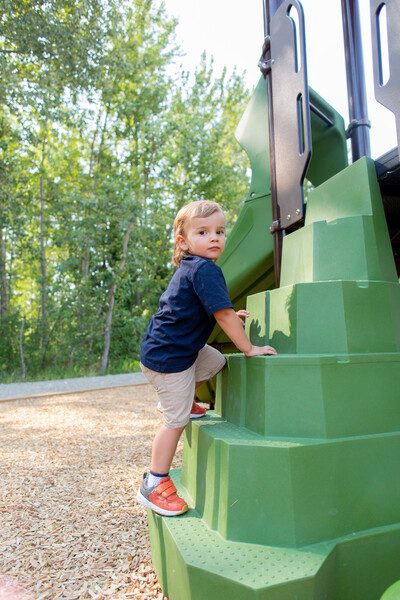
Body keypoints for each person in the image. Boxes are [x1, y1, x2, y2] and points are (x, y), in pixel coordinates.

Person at [137, 200, 277, 516]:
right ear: (183, 242)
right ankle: (154, 483)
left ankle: (182, 399)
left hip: (179, 349)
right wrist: (249, 348)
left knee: (215, 361)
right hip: (168, 357)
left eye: (219, 231)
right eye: (203, 232)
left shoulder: (195, 268)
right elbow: (223, 314)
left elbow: (211, 309)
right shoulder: (204, 269)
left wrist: (230, 312)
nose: (214, 237)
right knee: (175, 421)